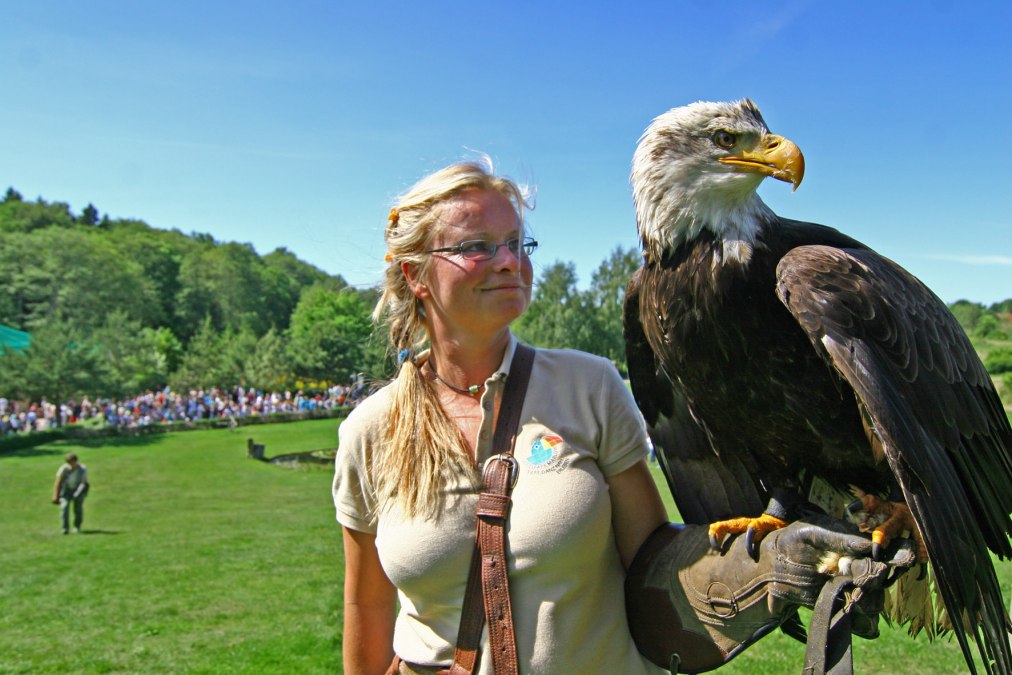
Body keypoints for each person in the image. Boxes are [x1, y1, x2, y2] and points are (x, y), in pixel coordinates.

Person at [333, 159, 911, 675]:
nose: (509, 262)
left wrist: (762, 571)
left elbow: (652, 559)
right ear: (414, 275)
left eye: (517, 243)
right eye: (477, 247)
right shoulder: (368, 431)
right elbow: (367, 605)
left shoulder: (588, 385)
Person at [52, 452, 89, 534]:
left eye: (72, 463)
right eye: (69, 463)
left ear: (76, 461)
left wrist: (77, 493)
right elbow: (58, 482)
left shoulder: (83, 469)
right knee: (64, 507)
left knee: (78, 509)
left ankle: (77, 527)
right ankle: (65, 528)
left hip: (79, 490)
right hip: (66, 491)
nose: (71, 465)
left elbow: (83, 482)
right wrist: (55, 496)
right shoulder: (63, 469)